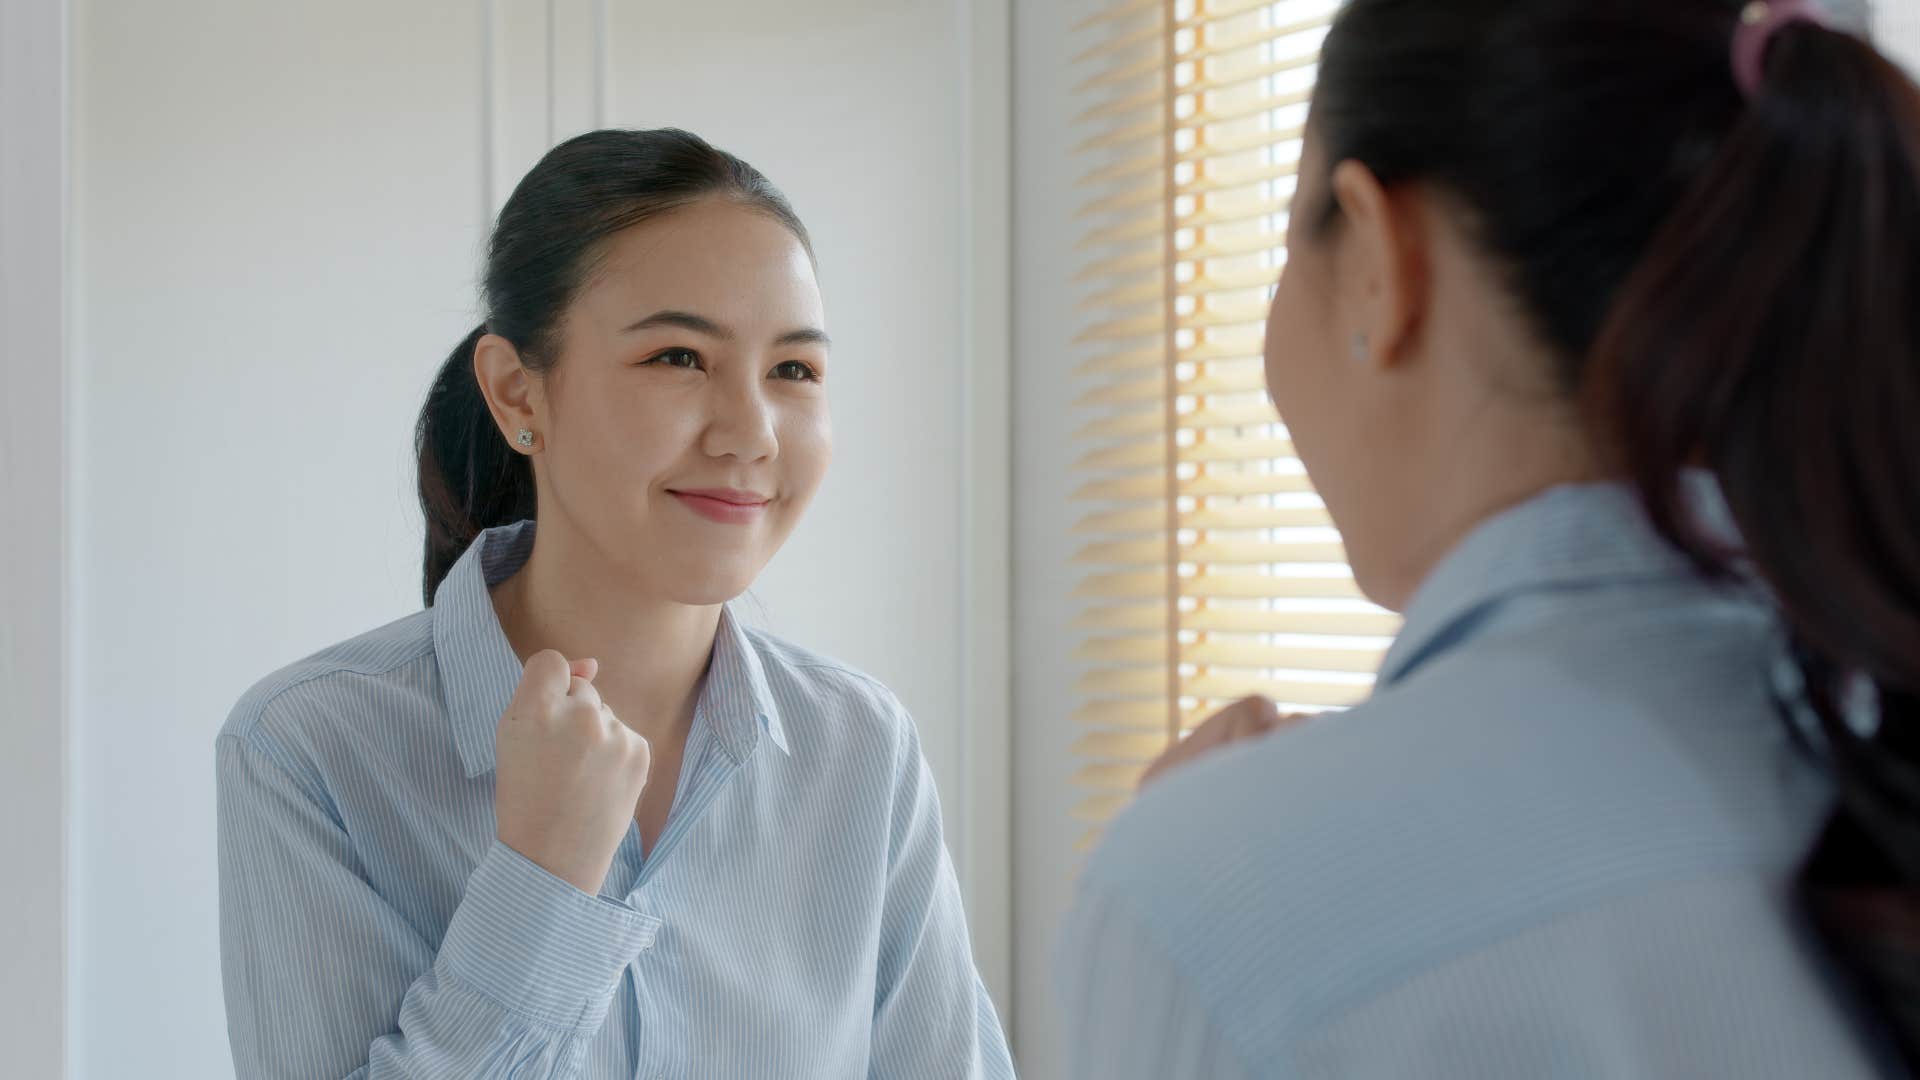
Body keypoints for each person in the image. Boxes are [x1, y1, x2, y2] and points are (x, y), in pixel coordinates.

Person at [1060, 0, 1920, 1076]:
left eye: (1291, 241)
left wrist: (1202, 876)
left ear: (1378, 255)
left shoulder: (1227, 899)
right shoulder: (1868, 732)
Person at [217, 128, 1013, 1079]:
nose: (750, 433)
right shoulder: (310, 749)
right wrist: (543, 879)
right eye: (678, 357)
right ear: (520, 392)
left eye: (793, 370)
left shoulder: (861, 750)